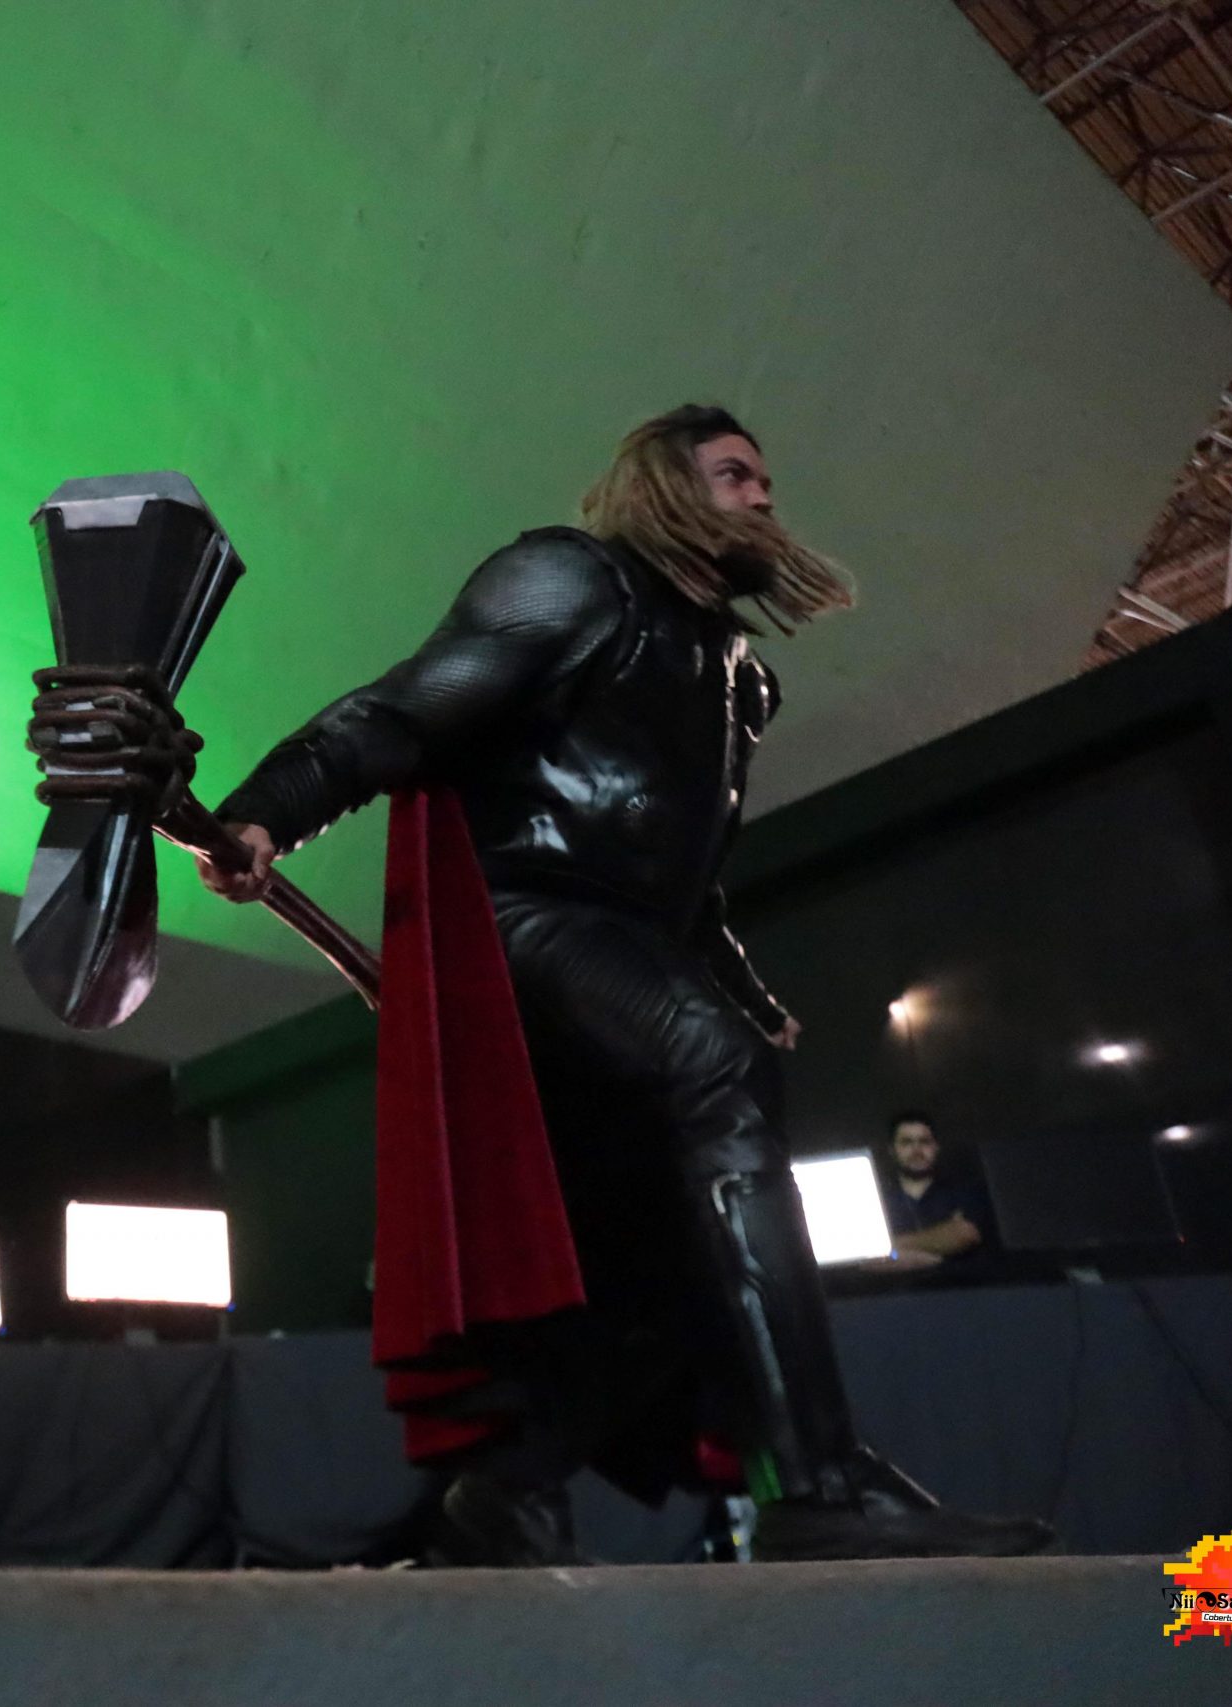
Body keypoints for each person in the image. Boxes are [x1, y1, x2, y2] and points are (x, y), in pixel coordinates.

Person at [198, 405, 1050, 1563]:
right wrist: (268, 810)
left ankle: (504, 1493)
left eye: (764, 478)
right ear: (665, 484)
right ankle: (819, 1487)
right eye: (734, 473)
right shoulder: (569, 578)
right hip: (524, 922)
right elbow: (405, 708)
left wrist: (746, 995)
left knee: (664, 1262)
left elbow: (678, 876)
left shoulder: (737, 675)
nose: (762, 496)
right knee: (712, 1071)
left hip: (627, 951)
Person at [877, 1111, 997, 1268]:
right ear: (892, 1150)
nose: (917, 1150)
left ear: (936, 1147)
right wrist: (936, 1249)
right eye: (906, 1143)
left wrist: (890, 1246)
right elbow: (866, 1257)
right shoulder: (877, 1201)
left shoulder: (964, 1191)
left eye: (924, 1142)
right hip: (898, 1284)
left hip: (962, 1281)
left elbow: (964, 1235)